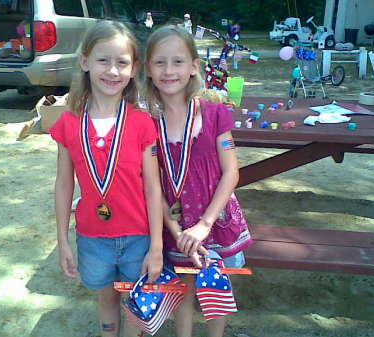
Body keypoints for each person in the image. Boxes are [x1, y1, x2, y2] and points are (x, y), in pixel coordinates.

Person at [50, 20, 163, 337]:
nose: (112, 71)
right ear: (85, 62)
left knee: (136, 299)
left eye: (122, 62)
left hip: (138, 236)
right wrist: (62, 241)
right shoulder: (69, 123)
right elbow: (63, 184)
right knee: (106, 294)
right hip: (92, 237)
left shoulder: (142, 124)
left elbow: (153, 188)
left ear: (133, 68)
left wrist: (156, 245)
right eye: (103, 60)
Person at [144, 25, 253, 337]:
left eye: (178, 61)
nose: (169, 71)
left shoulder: (216, 114)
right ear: (148, 69)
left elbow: (231, 171)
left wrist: (204, 224)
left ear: (193, 66)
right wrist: (179, 233)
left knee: (216, 285)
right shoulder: (146, 123)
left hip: (215, 222)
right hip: (174, 226)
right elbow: (151, 185)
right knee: (183, 288)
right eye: (159, 62)